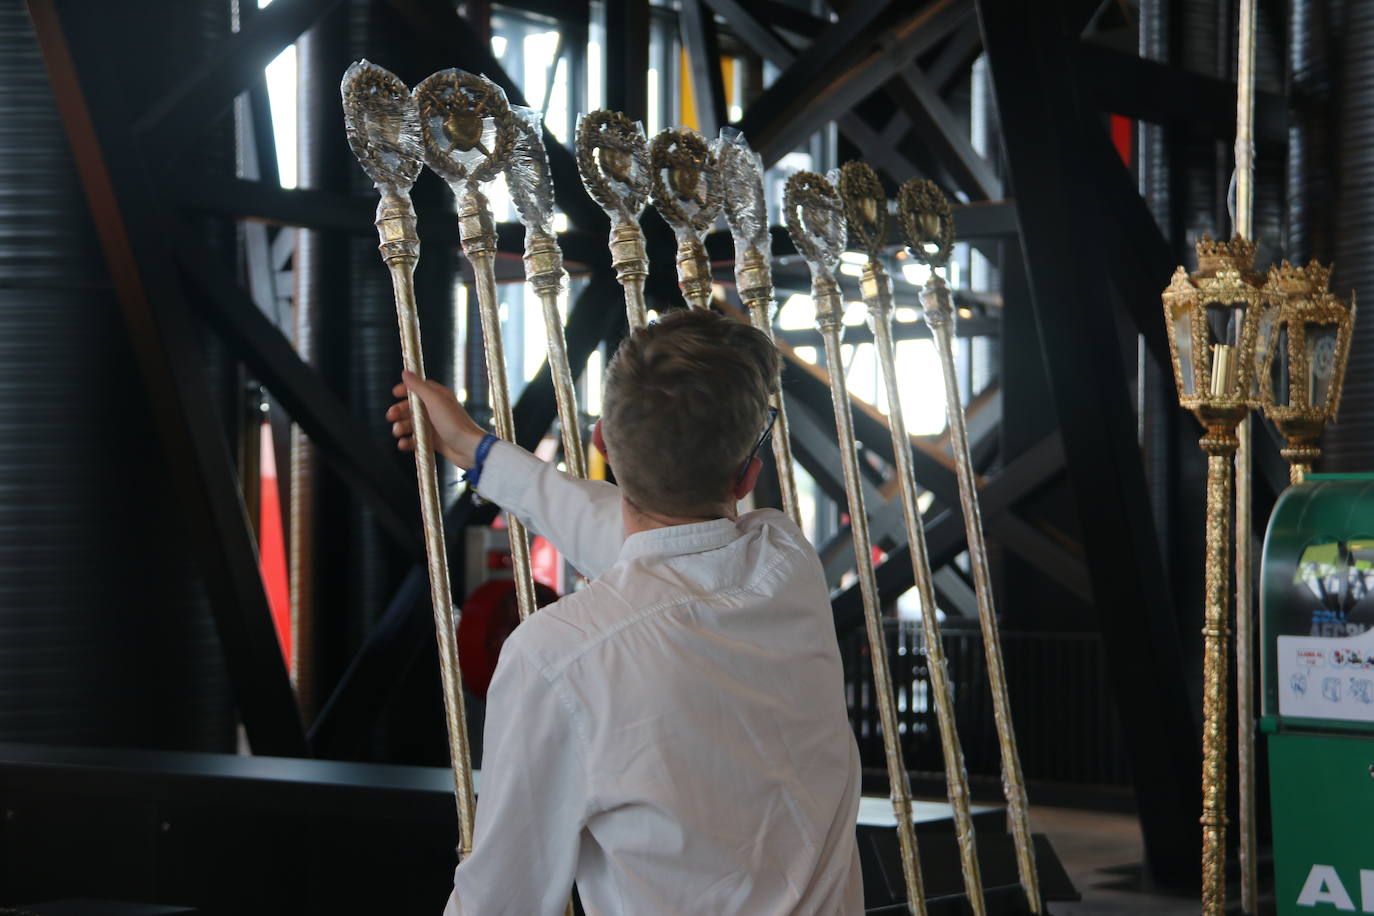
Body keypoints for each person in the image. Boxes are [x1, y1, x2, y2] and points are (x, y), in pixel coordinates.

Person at [387, 308, 862, 915]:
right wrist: (474, 451)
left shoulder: (558, 657)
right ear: (747, 476)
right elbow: (664, 551)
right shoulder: (784, 562)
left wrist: (478, 451)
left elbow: (503, 900)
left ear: (602, 443)